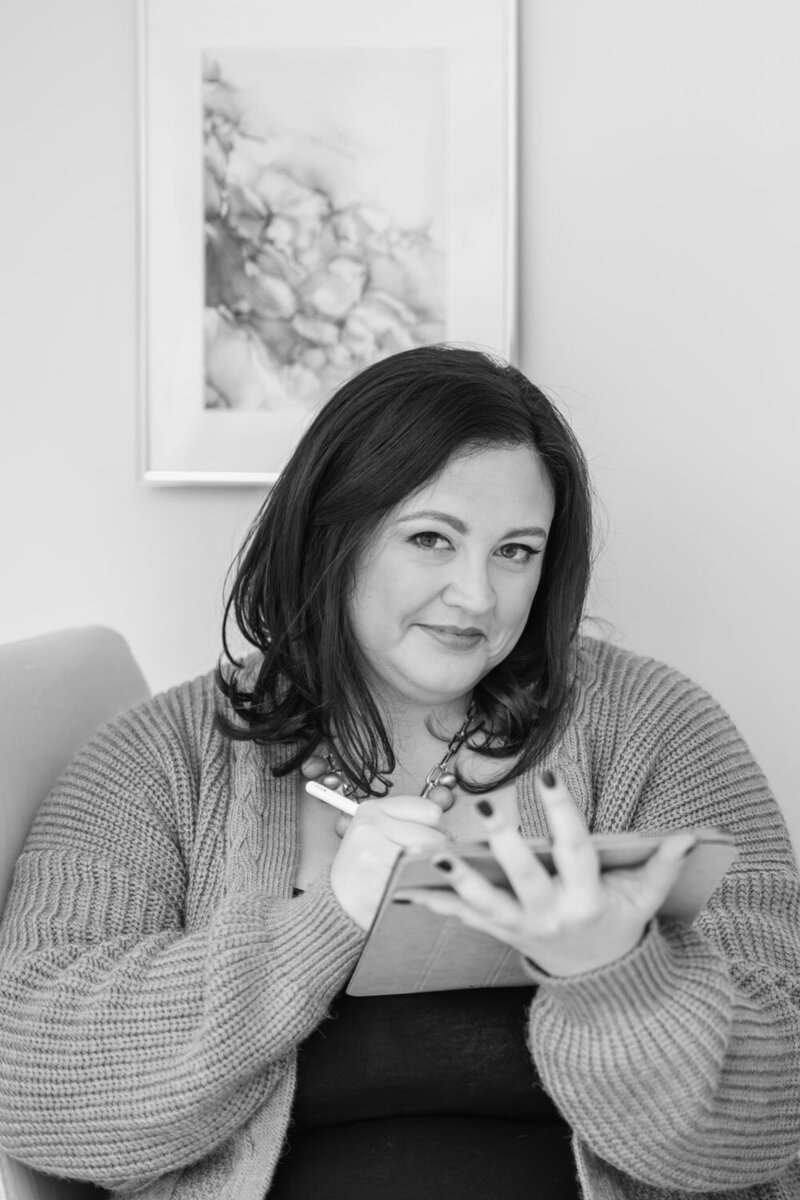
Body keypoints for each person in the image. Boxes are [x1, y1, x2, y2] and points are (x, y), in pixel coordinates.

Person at [0, 345, 799, 1200]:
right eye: (431, 539)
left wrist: (618, 981)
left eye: (516, 551)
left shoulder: (656, 726)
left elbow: (775, 1110)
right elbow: (37, 1090)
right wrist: (324, 924)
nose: (478, 597)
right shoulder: (159, 755)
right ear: (331, 537)